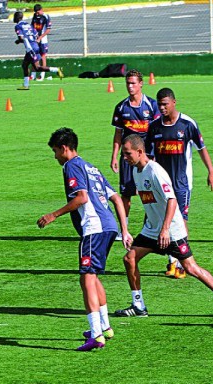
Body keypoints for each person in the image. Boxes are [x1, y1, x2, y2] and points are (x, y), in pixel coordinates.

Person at [115, 134, 213, 319]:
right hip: (152, 229)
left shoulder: (155, 171)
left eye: (127, 153)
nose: (124, 158)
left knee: (190, 268)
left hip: (171, 231)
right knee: (129, 259)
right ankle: (138, 305)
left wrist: (165, 229)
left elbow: (172, 200)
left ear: (140, 152)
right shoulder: (136, 171)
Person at [37, 128, 133, 352]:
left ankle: (96, 335)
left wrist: (52, 215)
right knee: (94, 277)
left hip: (94, 228)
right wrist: (124, 230)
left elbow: (82, 198)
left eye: (55, 151)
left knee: (86, 279)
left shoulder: (71, 166)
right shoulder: (92, 167)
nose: (55, 157)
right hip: (109, 227)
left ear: (64, 148)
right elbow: (117, 199)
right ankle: (105, 327)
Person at [145, 88, 213, 279]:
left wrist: (211, 171)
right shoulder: (153, 127)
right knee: (165, 220)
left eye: (165, 104)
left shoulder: (187, 124)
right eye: (159, 104)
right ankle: (172, 262)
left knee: (181, 221)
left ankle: (183, 263)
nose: (162, 108)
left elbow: (202, 148)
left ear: (174, 102)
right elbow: (148, 158)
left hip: (181, 183)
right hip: (161, 185)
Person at [110, 69, 160, 237]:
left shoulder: (152, 106)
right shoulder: (121, 107)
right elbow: (118, 134)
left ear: (140, 84)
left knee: (149, 192)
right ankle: (123, 228)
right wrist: (114, 156)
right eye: (128, 83)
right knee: (126, 193)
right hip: (127, 157)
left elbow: (157, 132)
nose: (130, 87)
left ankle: (151, 225)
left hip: (148, 157)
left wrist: (155, 155)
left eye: (133, 83)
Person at [13, 11, 62, 91]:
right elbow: (36, 35)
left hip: (30, 49)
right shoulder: (29, 25)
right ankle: (26, 85)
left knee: (34, 67)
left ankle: (56, 70)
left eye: (14, 17)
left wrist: (18, 41)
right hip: (35, 46)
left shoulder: (18, 26)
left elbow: (22, 38)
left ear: (16, 18)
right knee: (28, 66)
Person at [30, 4, 52, 82]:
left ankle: (42, 75)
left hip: (43, 40)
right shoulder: (35, 16)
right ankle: (32, 75)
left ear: (41, 10)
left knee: (43, 57)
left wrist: (40, 37)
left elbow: (48, 30)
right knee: (34, 56)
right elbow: (32, 26)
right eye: (35, 12)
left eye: (37, 12)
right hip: (35, 39)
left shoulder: (46, 17)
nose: (36, 14)